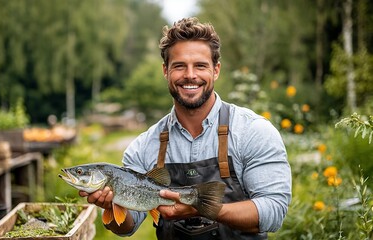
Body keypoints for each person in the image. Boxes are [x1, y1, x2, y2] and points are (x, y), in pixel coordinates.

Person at [79, 17, 292, 239]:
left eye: (200, 65)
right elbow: (127, 227)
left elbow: (273, 212)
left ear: (216, 70)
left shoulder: (253, 131)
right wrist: (110, 206)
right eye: (179, 66)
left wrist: (202, 207)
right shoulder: (143, 146)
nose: (190, 75)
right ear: (165, 71)